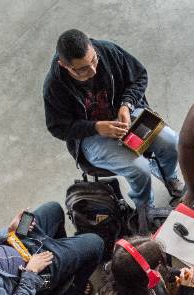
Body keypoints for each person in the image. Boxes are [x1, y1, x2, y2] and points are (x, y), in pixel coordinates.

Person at [43, 29, 183, 208]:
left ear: (92, 48)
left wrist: (127, 105)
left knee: (171, 142)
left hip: (128, 114)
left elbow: (140, 76)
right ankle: (146, 210)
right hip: (91, 136)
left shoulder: (107, 50)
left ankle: (168, 176)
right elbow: (58, 128)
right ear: (64, 65)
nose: (93, 70)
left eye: (94, 60)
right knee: (139, 169)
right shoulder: (54, 87)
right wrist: (96, 127)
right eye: (83, 69)